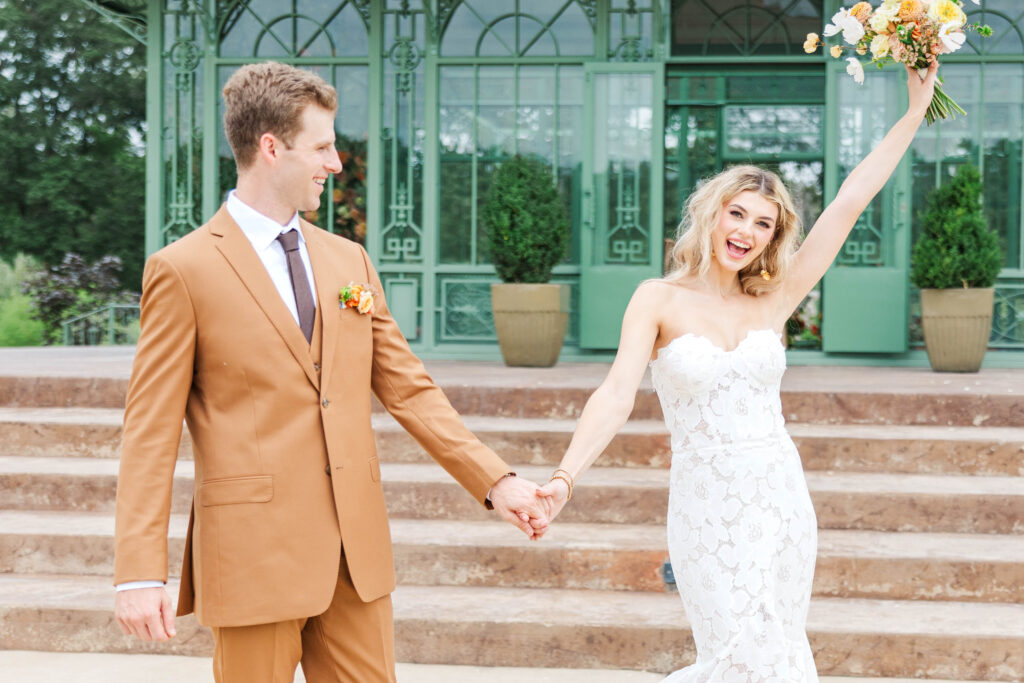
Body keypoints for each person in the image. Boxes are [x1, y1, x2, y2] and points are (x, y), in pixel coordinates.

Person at [113, 61, 549, 683]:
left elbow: (408, 388)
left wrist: (495, 481)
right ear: (270, 147)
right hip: (252, 554)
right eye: (321, 146)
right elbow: (149, 433)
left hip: (356, 555)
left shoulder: (349, 259)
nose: (336, 163)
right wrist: (138, 571)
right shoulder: (182, 270)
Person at [537, 64, 938, 681]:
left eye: (764, 224)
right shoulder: (657, 299)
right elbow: (615, 394)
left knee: (778, 649)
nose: (747, 232)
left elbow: (850, 200)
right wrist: (565, 478)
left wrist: (914, 111)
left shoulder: (774, 299)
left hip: (779, 494)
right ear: (712, 214)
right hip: (706, 500)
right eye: (738, 214)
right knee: (732, 652)